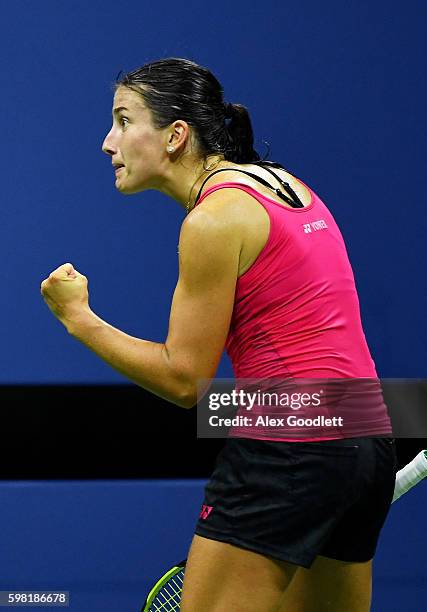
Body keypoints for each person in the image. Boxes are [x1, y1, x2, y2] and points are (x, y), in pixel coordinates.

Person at [41, 57, 397, 611]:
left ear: (176, 135)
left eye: (123, 120)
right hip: (365, 437)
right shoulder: (286, 185)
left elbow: (185, 379)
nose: (108, 142)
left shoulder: (213, 219)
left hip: (290, 441)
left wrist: (78, 320)